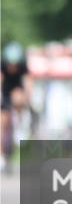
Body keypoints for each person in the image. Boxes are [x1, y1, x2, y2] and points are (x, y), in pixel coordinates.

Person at [1, 42, 34, 173]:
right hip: (5, 92)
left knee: (18, 97)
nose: (12, 68)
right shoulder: (2, 64)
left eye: (15, 65)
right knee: (2, 123)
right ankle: (2, 155)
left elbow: (29, 82)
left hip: (17, 90)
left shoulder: (23, 66)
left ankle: (21, 123)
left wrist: (28, 98)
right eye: (10, 65)